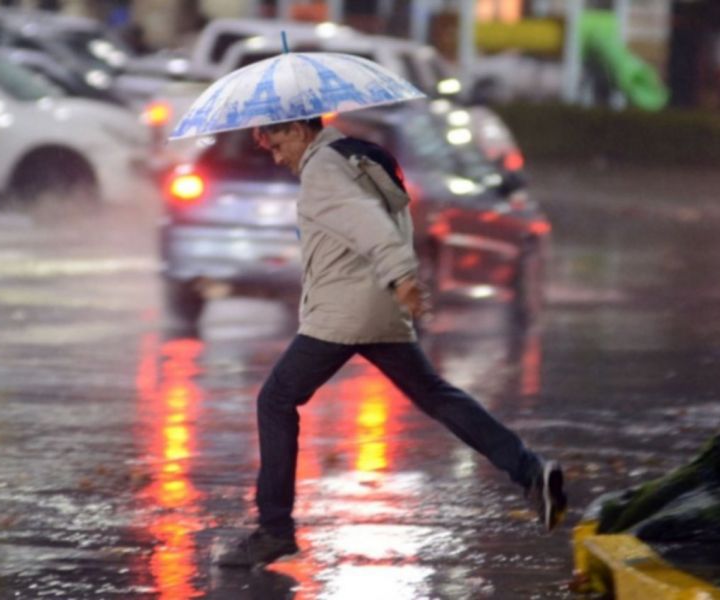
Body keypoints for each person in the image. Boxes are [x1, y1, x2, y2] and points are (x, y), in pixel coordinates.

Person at [216, 117, 567, 568]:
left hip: (344, 311)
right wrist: (397, 282)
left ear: (302, 130)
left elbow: (370, 227)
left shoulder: (324, 167)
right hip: (377, 306)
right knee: (435, 394)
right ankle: (531, 470)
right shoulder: (358, 157)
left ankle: (273, 529)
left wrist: (402, 275)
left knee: (276, 400)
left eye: (278, 142)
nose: (277, 156)